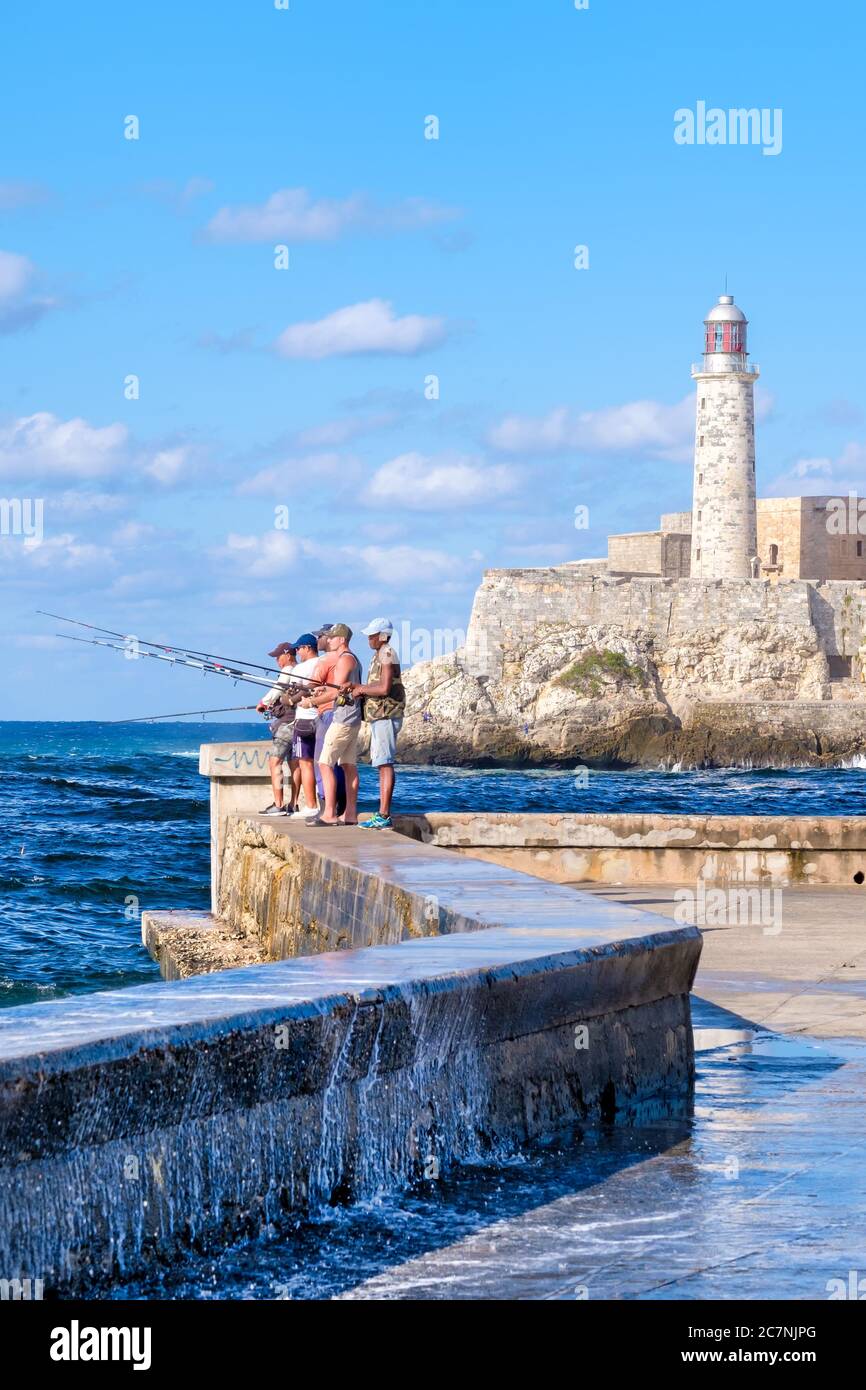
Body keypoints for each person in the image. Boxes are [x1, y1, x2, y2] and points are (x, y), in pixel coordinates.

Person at [351, 618, 405, 830]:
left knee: (384, 763)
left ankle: (383, 815)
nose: (369, 639)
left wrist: (360, 689)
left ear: (383, 636)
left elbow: (383, 688)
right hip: (379, 716)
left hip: (385, 715)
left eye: (372, 635)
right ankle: (382, 814)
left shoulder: (386, 653)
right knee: (382, 763)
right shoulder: (379, 654)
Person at [316, 624, 362, 824]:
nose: (329, 640)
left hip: (342, 719)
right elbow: (337, 687)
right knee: (348, 765)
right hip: (354, 718)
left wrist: (312, 701)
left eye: (332, 637)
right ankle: (349, 814)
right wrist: (322, 691)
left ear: (342, 640)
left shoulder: (344, 659)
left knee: (325, 763)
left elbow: (338, 691)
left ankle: (329, 814)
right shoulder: (354, 659)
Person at [284, 634, 323, 820]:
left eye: (298, 648)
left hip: (305, 721)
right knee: (323, 763)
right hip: (323, 718)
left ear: (307, 647)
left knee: (305, 763)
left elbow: (291, 694)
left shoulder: (300, 668)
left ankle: (311, 805)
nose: (296, 652)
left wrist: (288, 698)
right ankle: (329, 804)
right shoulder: (324, 662)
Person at [256, 643, 297, 815]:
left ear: (288, 654)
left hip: (287, 724)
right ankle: (293, 804)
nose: (277, 661)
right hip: (299, 722)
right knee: (295, 764)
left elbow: (277, 689)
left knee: (274, 762)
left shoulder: (288, 670)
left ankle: (279, 805)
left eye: (278, 657)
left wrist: (263, 703)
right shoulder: (300, 670)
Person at [310, 624, 347, 816]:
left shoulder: (326, 660)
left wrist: (311, 699)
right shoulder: (346, 659)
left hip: (327, 713)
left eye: (321, 637)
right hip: (341, 714)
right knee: (339, 763)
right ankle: (341, 806)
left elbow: (312, 685)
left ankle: (326, 808)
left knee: (322, 762)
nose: (319, 641)